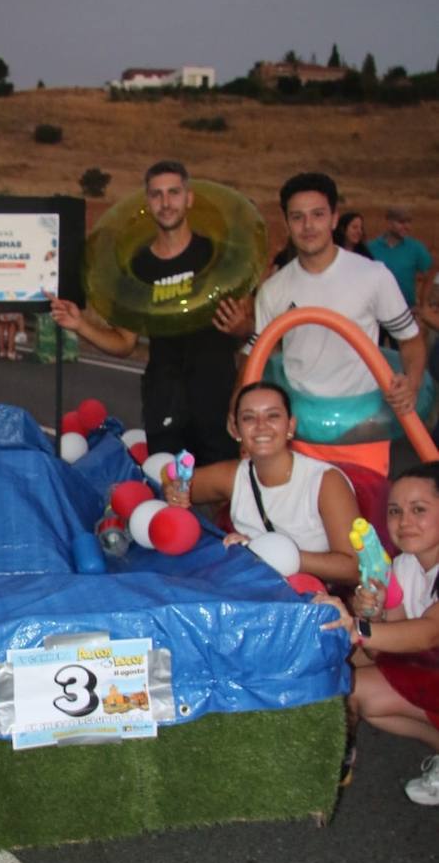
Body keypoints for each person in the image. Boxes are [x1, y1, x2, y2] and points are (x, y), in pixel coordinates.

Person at [51, 160, 252, 465]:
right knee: (169, 491)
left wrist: (241, 327)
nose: (166, 203)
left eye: (173, 193)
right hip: (165, 395)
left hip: (217, 393)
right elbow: (124, 343)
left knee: (224, 491)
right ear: (148, 202)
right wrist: (81, 325)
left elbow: (247, 330)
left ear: (189, 198)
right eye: (157, 195)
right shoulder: (137, 269)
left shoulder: (216, 257)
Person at [234, 173, 426, 477]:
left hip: (364, 433)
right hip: (300, 434)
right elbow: (253, 354)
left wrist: (411, 383)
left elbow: (410, 340)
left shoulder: (373, 276)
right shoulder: (274, 290)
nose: (308, 226)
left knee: (363, 524)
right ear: (287, 223)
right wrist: (237, 406)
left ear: (334, 218)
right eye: (297, 217)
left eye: (318, 215)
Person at [316, 462, 439, 805]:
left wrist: (358, 627)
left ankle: (327, 769)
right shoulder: (404, 565)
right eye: (395, 511)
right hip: (430, 670)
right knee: (353, 680)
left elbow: (429, 634)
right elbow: (393, 650)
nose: (404, 521)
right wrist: (374, 610)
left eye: (419, 510)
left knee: (351, 687)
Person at [161, 382, 359, 585]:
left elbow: (353, 568)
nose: (261, 425)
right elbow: (170, 480)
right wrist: (175, 492)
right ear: (235, 428)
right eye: (248, 417)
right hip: (250, 591)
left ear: (290, 425)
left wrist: (264, 551)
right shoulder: (233, 475)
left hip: (309, 600)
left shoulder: (326, 481)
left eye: (272, 415)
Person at [368, 207, 432, 310]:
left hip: (406, 309)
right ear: (389, 223)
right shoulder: (371, 248)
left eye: (409, 222)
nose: (407, 226)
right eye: (401, 222)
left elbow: (430, 273)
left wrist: (423, 302)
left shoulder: (416, 248)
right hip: (375, 309)